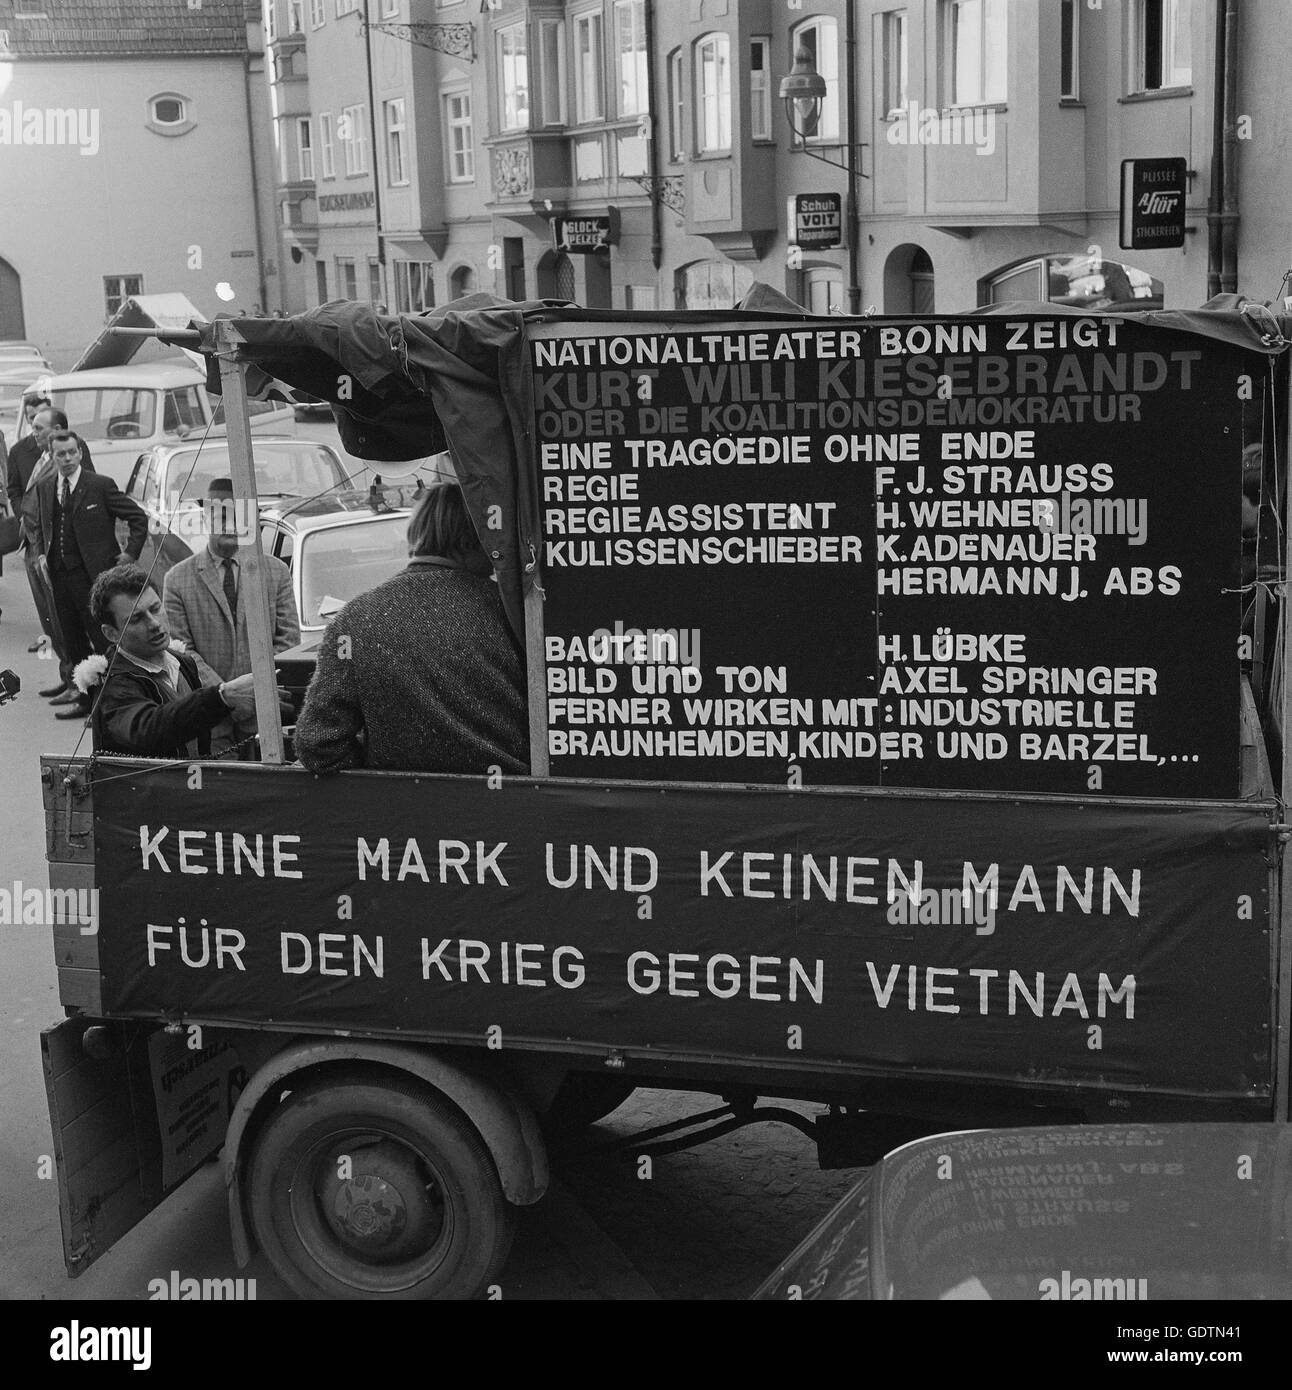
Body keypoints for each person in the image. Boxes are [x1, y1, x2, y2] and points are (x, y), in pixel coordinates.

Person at [294, 482, 529, 774]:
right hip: (515, 804)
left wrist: (376, 765)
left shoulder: (353, 619)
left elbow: (318, 745)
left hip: (399, 810)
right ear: (477, 539)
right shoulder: (516, 614)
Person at [163, 478, 300, 754]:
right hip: (210, 722)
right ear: (206, 518)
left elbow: (289, 643)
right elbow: (183, 653)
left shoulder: (276, 572)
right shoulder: (176, 579)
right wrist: (228, 697)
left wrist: (258, 695)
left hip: (265, 718)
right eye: (222, 515)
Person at [76, 564, 263, 758]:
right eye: (136, 619)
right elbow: (149, 729)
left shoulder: (183, 662)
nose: (154, 623)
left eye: (155, 609)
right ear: (111, 633)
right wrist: (221, 697)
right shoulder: (113, 684)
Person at [34, 430, 146, 721]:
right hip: (60, 578)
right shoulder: (46, 487)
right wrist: (43, 554)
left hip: (93, 578)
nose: (68, 458)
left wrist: (129, 555)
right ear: (52, 456)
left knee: (103, 642)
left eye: (72, 452)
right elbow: (43, 526)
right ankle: (87, 703)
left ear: (81, 453)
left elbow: (137, 518)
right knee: (73, 641)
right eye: (61, 454)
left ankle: (113, 706)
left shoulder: (100, 485)